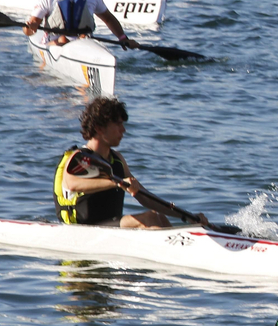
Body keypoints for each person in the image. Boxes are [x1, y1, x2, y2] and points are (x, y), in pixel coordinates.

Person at [54, 97, 193, 229]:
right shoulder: (80, 158)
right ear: (99, 128)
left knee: (158, 217)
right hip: (84, 229)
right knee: (149, 219)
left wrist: (187, 216)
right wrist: (117, 183)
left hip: (111, 227)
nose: (123, 130)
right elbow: (71, 184)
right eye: (118, 124)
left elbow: (146, 198)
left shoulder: (117, 159)